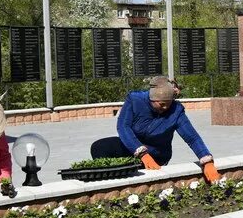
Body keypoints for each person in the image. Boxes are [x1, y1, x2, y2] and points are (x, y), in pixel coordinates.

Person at [92, 77, 221, 183]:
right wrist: (141, 152)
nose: (165, 107)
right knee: (100, 147)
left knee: (143, 168)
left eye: (168, 103)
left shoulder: (176, 111)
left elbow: (192, 138)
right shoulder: (135, 100)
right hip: (133, 146)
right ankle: (110, 182)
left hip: (157, 153)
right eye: (161, 104)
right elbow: (123, 127)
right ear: (151, 99)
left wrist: (207, 161)